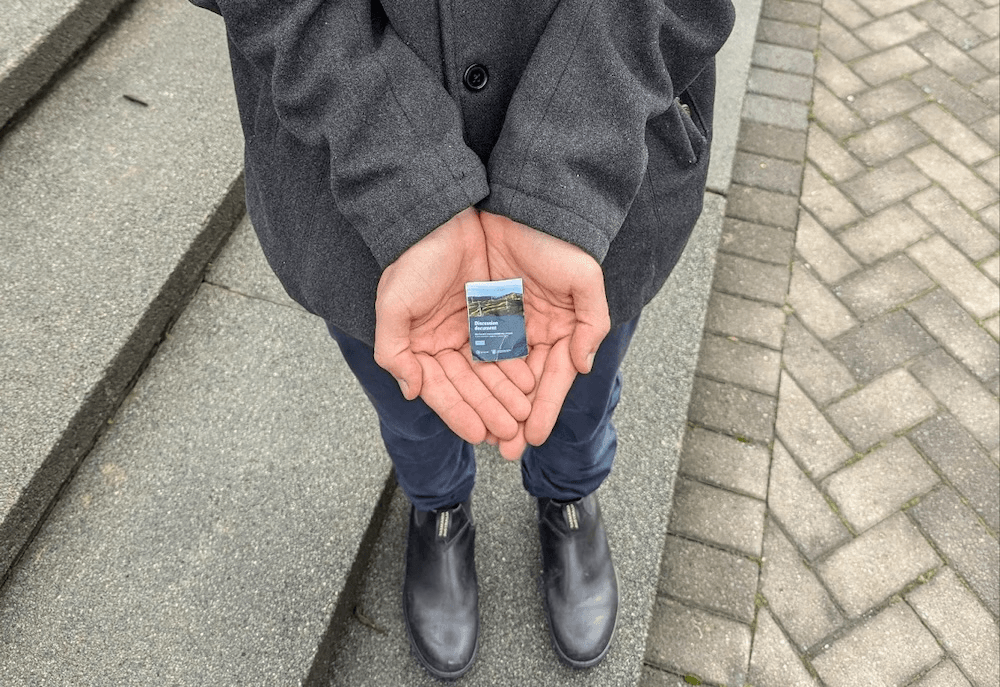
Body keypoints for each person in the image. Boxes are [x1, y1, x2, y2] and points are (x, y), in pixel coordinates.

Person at [190, 0, 735, 679]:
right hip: (350, 187)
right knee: (412, 401)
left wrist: (566, 167)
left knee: (578, 387)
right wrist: (400, 171)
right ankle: (438, 505)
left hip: (614, 162)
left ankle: (568, 491)